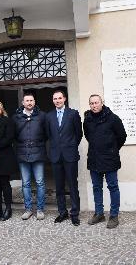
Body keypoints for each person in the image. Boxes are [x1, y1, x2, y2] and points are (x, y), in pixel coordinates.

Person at [83, 94, 127, 228]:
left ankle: (114, 216)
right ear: (89, 105)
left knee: (113, 187)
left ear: (102, 103)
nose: (94, 105)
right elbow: (88, 136)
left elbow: (122, 136)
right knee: (96, 187)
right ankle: (99, 213)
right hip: (94, 159)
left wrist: (112, 149)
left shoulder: (113, 118)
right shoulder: (87, 120)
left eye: (96, 103)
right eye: (92, 103)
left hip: (110, 159)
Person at [46, 89, 83, 226]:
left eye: (60, 98)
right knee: (59, 186)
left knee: (73, 185)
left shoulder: (73, 114)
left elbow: (78, 134)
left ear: (64, 99)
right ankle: (62, 212)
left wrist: (71, 146)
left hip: (70, 155)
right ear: (53, 100)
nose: (57, 101)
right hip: (56, 156)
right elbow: (49, 135)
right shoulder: (49, 116)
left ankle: (74, 213)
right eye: (55, 99)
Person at [13, 93, 48, 221]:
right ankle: (28, 209)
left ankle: (40, 209)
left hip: (38, 153)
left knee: (40, 182)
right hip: (23, 153)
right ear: (23, 102)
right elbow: (14, 136)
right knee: (26, 183)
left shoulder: (42, 116)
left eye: (31, 100)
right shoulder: (16, 117)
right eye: (27, 100)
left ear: (34, 102)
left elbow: (46, 134)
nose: (29, 102)